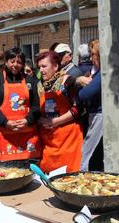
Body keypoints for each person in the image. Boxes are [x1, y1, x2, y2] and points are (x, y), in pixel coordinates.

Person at [0, 47, 41, 161]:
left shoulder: (31, 81)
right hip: (5, 135)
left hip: (28, 134)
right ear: (6, 62)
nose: (15, 65)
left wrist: (27, 120)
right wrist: (5, 122)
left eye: (19, 62)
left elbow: (37, 105)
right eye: (12, 61)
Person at [36, 50, 83, 172]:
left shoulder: (68, 82)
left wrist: (56, 121)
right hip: (49, 141)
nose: (41, 70)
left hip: (68, 140)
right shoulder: (40, 86)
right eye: (39, 67)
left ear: (56, 66)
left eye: (44, 66)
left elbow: (79, 108)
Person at [78, 39, 103, 171]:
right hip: (96, 114)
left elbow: (85, 94)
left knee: (88, 152)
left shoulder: (104, 72)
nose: (91, 57)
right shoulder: (96, 72)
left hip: (100, 116)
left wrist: (80, 81)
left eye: (93, 54)